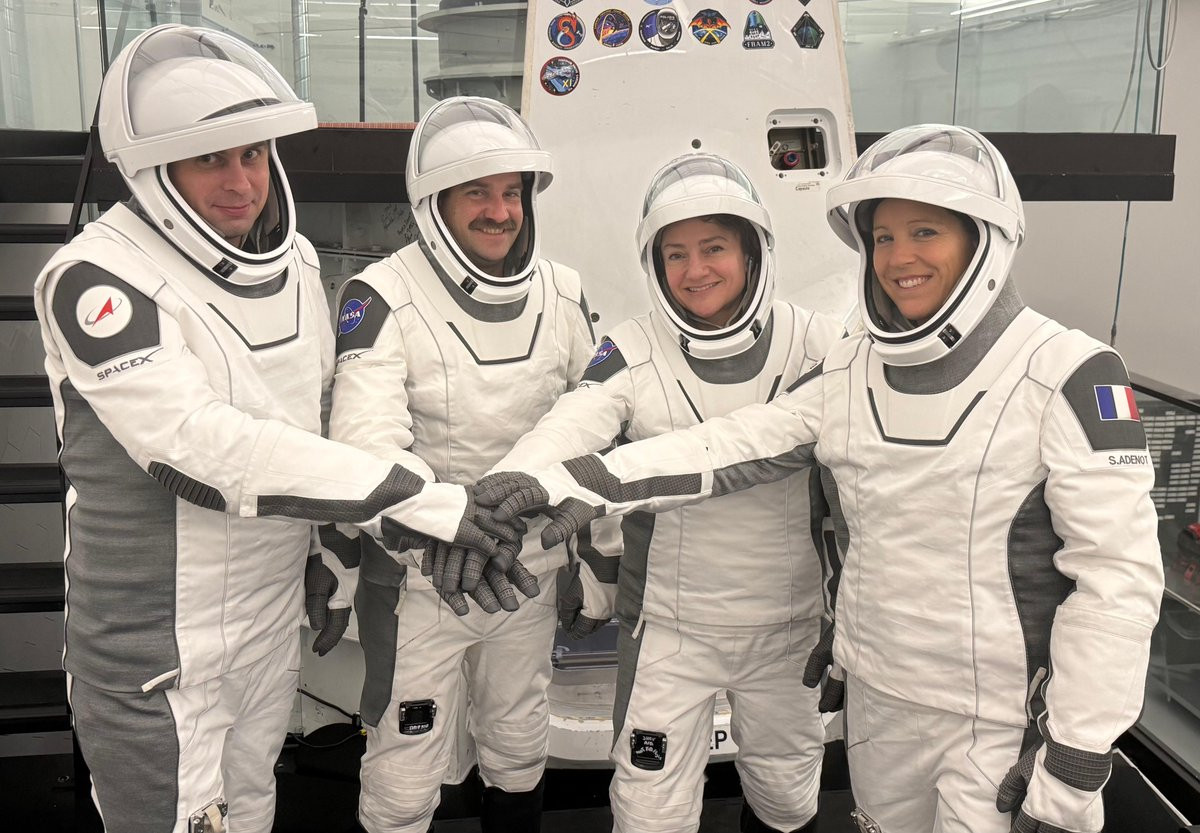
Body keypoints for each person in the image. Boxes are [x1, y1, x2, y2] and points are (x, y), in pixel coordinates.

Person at [472, 124, 1165, 833]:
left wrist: (1077, 749)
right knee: (655, 810)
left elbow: (1118, 578)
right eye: (883, 237)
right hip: (874, 693)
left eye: (924, 232)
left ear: (985, 238)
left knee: (787, 800)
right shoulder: (852, 366)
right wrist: (561, 482)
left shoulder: (1069, 373)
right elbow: (734, 444)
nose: (899, 257)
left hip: (998, 714)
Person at [34, 26, 509, 833]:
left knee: (251, 811)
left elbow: (311, 423)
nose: (241, 181)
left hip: (267, 621)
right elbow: (198, 447)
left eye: (253, 154)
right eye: (210, 159)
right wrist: (421, 500)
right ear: (154, 171)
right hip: (157, 652)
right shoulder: (94, 276)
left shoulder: (293, 264)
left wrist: (332, 557)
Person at [488, 153, 842, 833]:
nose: (694, 270)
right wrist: (502, 492)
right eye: (675, 254)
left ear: (753, 250)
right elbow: (570, 426)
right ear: (653, 263)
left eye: (714, 248)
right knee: (649, 810)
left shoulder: (822, 344)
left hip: (788, 628)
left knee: (788, 798)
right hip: (669, 632)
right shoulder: (631, 349)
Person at [308, 96, 595, 833]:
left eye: (512, 192)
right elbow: (367, 446)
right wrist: (442, 533)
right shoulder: (380, 295)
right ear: (434, 203)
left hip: (526, 575)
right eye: (477, 193)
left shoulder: (564, 292)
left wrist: (583, 551)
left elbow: (592, 422)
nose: (500, 212)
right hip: (420, 577)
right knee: (405, 770)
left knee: (519, 744)